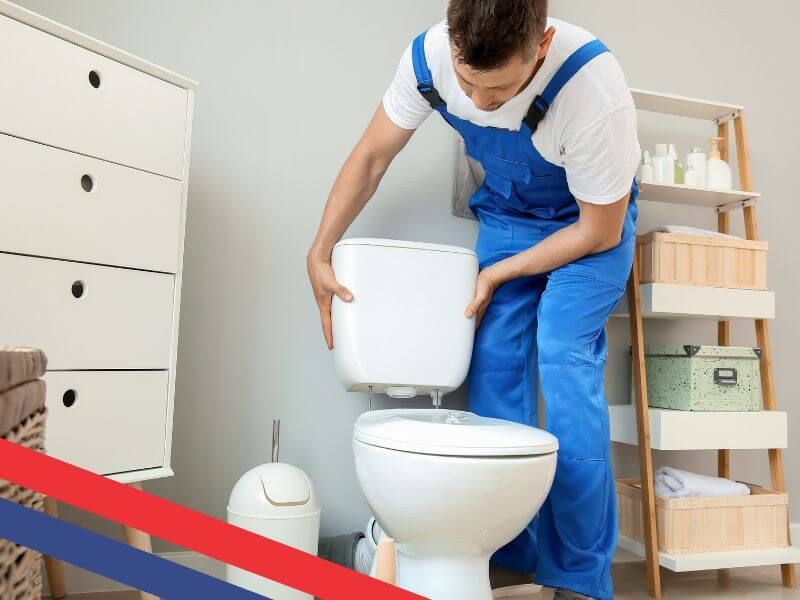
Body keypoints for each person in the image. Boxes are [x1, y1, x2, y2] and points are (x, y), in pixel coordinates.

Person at [307, 1, 640, 598]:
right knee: (492, 366)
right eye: (469, 84)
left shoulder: (592, 90)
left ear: (541, 47)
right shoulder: (430, 58)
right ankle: (507, 552)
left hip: (589, 224)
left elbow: (598, 231)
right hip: (510, 215)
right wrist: (320, 250)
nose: (483, 105)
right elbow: (373, 155)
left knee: (563, 357)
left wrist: (498, 274)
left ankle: (579, 578)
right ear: (453, 45)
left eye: (502, 89)